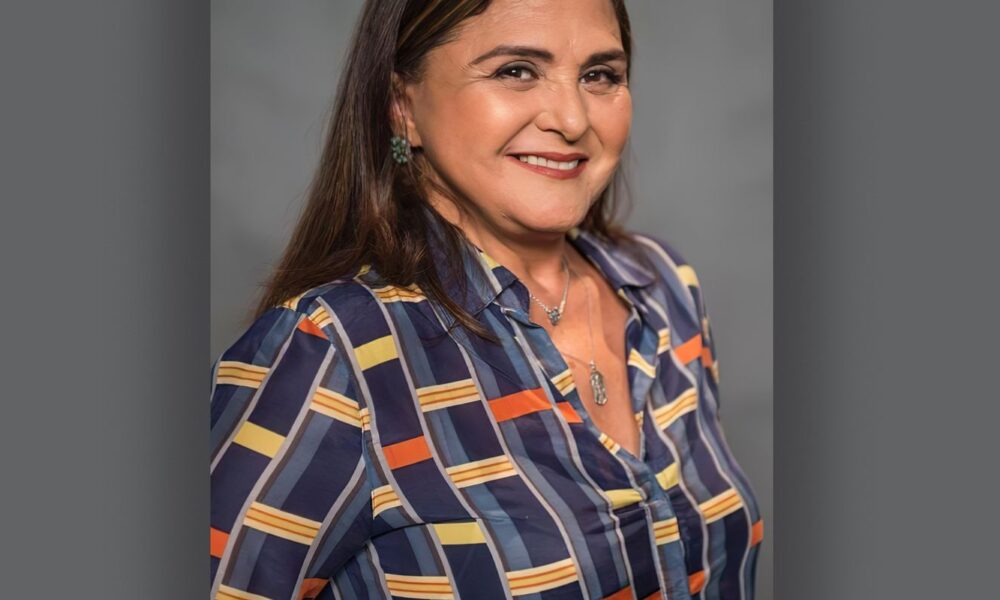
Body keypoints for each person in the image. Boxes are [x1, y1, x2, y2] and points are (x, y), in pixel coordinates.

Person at [209, 1, 763, 598]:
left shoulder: (663, 288)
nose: (572, 118)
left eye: (599, 75)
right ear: (402, 108)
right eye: (516, 71)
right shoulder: (330, 352)